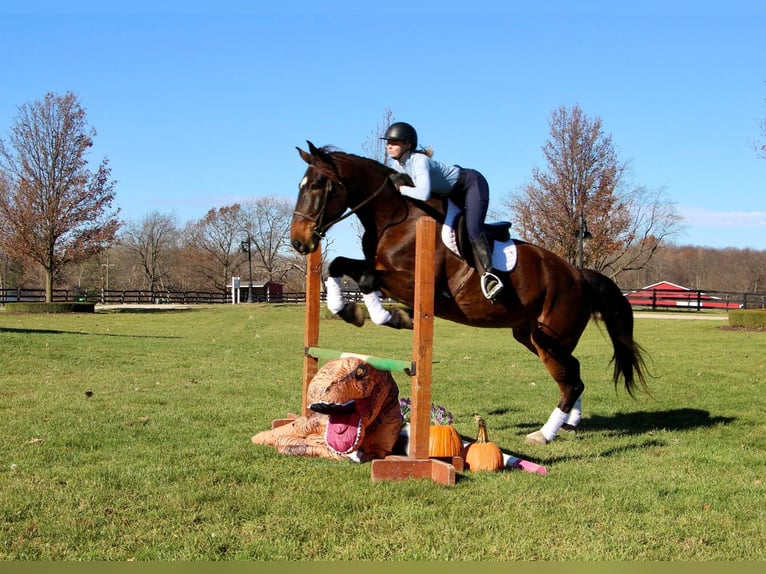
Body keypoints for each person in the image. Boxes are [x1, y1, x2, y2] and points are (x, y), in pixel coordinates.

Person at [381, 121, 503, 300]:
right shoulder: (399, 166)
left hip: (470, 185)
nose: (389, 146)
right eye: (388, 142)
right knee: (443, 232)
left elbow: (423, 193)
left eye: (394, 142)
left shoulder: (419, 161)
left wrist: (400, 189)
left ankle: (490, 277)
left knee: (472, 229)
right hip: (449, 195)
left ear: (407, 144)